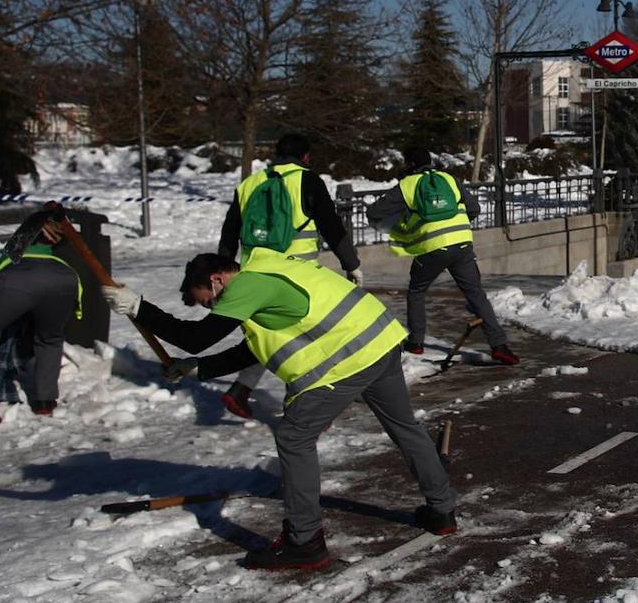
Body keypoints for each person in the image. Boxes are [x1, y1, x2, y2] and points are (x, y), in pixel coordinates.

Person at [101, 249, 456, 571]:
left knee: (293, 436)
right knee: (404, 426)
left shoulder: (248, 286)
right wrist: (199, 368)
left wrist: (138, 307)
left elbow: (194, 337)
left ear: (217, 279)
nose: (214, 310)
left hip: (348, 358)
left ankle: (305, 543)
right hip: (377, 341)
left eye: (208, 301)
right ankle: (441, 509)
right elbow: (254, 349)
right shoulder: (269, 272)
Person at [214, 133, 363, 419]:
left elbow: (229, 233)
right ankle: (300, 406)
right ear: (305, 157)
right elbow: (332, 227)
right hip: (298, 275)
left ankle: (241, 390)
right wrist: (351, 264)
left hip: (255, 275)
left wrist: (223, 273)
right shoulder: (308, 180)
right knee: (308, 338)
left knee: (272, 336)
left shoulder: (249, 184)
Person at [366, 146, 518, 365]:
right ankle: (499, 346)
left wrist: (404, 218)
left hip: (432, 247)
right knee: (476, 295)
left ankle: (416, 342)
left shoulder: (408, 185)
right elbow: (474, 208)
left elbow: (375, 213)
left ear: (409, 164)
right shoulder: (449, 179)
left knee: (417, 290)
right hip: (462, 244)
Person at [0, 209, 82, 428]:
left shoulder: (13, 252)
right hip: (65, 279)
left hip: (19, 279)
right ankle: (45, 401)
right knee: (50, 339)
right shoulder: (59, 254)